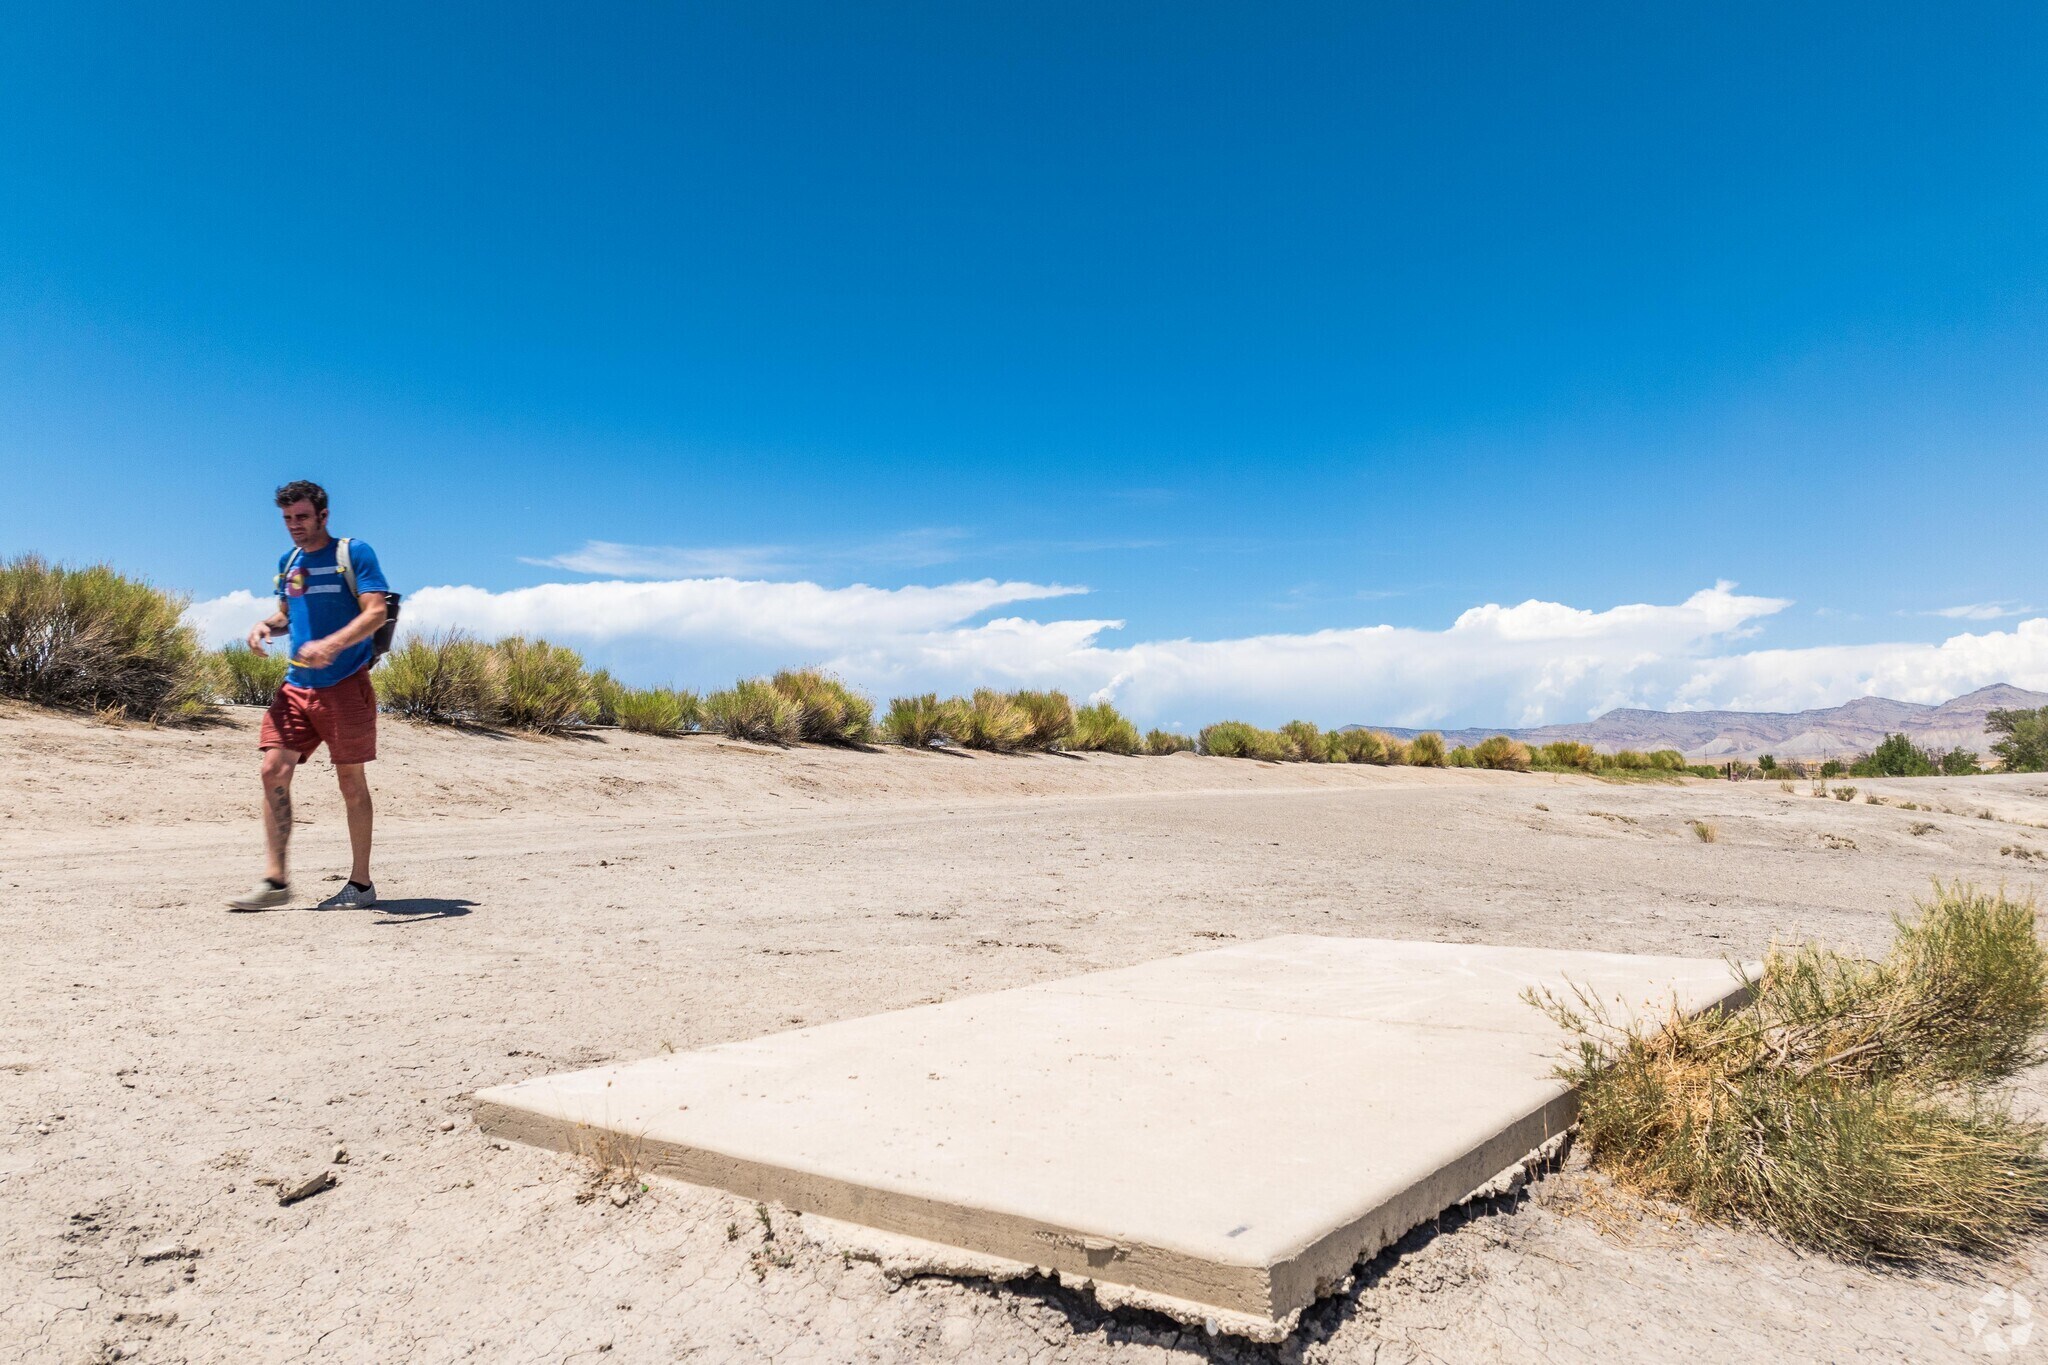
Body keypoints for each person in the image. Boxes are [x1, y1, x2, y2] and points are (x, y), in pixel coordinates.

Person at [228, 480, 391, 912]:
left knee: (350, 783)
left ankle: (360, 884)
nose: (294, 526)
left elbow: (377, 611)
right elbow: (287, 614)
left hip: (345, 685)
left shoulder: (353, 554)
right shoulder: (290, 561)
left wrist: (332, 645)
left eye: (301, 517)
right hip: (296, 687)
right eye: (287, 519)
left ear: (323, 515)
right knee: (272, 769)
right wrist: (265, 625)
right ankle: (276, 881)